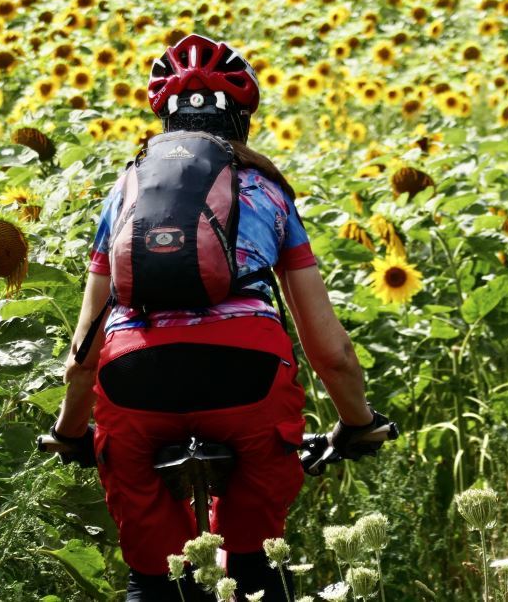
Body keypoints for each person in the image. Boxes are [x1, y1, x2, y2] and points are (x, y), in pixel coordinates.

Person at [49, 34, 393, 601]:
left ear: (163, 118)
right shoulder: (268, 192)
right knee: (255, 573)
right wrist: (356, 421)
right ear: (244, 120)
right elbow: (326, 346)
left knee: (154, 576)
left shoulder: (124, 192)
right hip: (249, 376)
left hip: (133, 381)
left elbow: (83, 352)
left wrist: (69, 433)